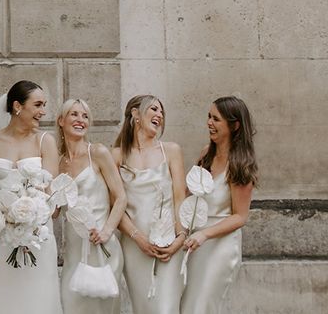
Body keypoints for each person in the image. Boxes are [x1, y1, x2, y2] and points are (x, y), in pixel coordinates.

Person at [0, 80, 63, 314]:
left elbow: (51, 197)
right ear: (17, 106)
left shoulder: (45, 141)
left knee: (39, 301)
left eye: (44, 105)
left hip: (38, 238)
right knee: (3, 301)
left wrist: (33, 216)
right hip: (1, 239)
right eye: (37, 105)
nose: (43, 111)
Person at [180, 97, 258, 314]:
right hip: (194, 243)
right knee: (188, 305)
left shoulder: (240, 164)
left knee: (202, 306)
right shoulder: (207, 154)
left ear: (234, 126)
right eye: (208, 117)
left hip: (219, 245)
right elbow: (187, 194)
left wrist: (205, 235)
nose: (209, 123)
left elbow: (240, 217)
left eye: (216, 119)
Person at [112, 95, 186, 314]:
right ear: (135, 113)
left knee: (165, 308)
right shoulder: (116, 156)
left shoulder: (171, 150)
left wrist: (180, 238)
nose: (160, 115)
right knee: (144, 308)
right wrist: (138, 238)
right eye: (154, 109)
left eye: (162, 112)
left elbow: (180, 198)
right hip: (134, 245)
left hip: (169, 245)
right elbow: (115, 205)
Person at [57, 98, 126, 314]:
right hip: (74, 251)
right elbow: (55, 211)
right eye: (74, 114)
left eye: (85, 116)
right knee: (71, 305)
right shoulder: (58, 163)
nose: (80, 120)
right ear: (61, 120)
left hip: (103, 246)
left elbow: (121, 197)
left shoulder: (97, 152)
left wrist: (107, 231)